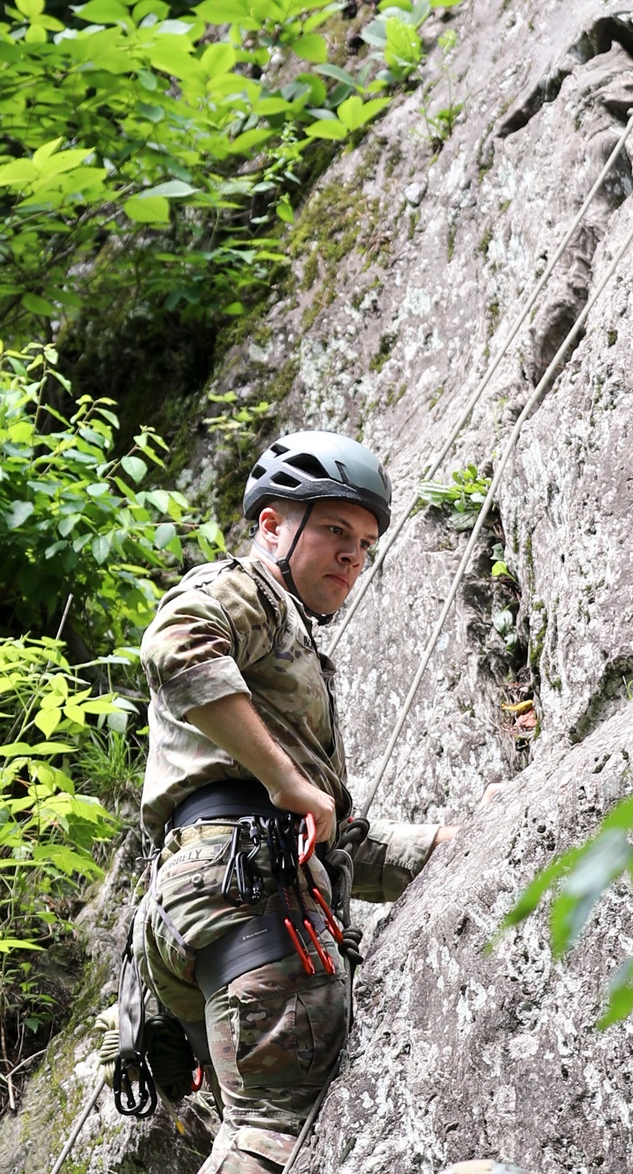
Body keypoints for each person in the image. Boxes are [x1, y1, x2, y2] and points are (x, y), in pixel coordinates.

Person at [132, 430, 452, 1174]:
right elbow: (176, 646)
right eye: (335, 529)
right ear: (273, 526)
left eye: (366, 543)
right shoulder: (251, 595)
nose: (353, 555)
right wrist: (287, 780)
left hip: (201, 905)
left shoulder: (284, 650)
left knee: (256, 1126)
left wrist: (447, 845)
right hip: (249, 898)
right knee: (276, 1135)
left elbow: (321, 837)